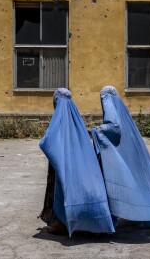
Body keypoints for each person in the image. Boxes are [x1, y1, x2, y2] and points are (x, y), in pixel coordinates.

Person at [91, 86, 150, 228]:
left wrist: (96, 130)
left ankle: (135, 215)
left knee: (123, 182)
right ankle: (140, 215)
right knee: (135, 181)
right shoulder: (121, 109)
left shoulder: (109, 102)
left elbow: (114, 127)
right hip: (129, 152)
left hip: (119, 153)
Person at [38, 88, 115, 236]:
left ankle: (61, 223)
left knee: (60, 189)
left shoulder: (59, 116)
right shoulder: (75, 116)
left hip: (61, 163)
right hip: (79, 163)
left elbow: (48, 141)